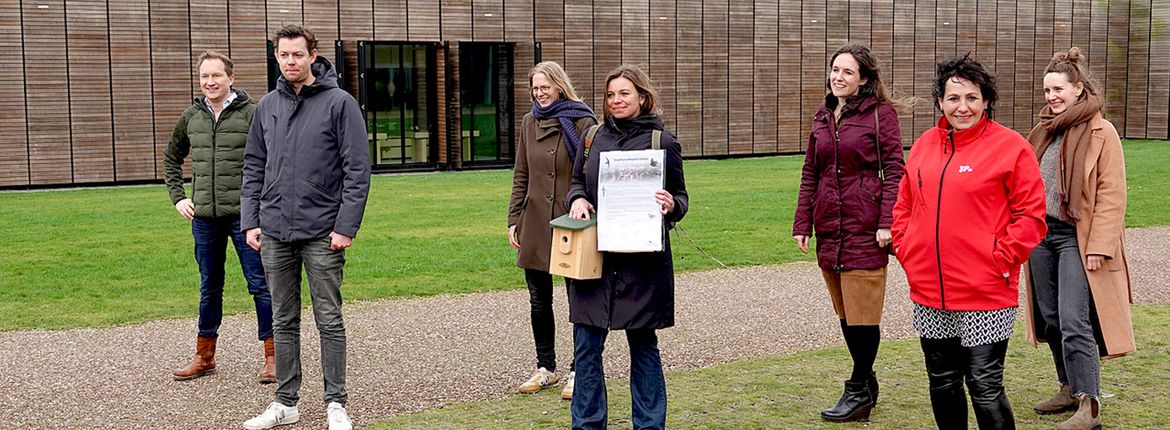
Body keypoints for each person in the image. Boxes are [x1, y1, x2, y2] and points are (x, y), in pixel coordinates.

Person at [891, 54, 1047, 430]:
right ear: (939, 102)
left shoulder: (1011, 147)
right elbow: (904, 204)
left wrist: (1002, 258)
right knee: (942, 382)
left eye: (972, 98)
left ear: (986, 100)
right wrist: (907, 248)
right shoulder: (926, 145)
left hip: (986, 290)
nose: (963, 107)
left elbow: (1031, 216)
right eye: (954, 98)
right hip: (929, 290)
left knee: (984, 384)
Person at [240, 24, 370, 430]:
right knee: (283, 318)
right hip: (274, 229)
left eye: (298, 54)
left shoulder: (340, 103)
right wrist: (251, 220)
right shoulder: (267, 106)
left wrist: (345, 226)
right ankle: (286, 401)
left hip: (323, 232)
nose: (290, 61)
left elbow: (357, 170)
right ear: (276, 56)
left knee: (328, 318)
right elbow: (253, 167)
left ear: (313, 55)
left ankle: (336, 403)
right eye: (284, 54)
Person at [566, 64, 688, 430]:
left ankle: (649, 425)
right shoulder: (592, 138)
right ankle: (587, 424)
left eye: (624, 94)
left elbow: (681, 198)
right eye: (611, 95)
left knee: (643, 347)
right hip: (595, 261)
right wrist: (576, 200)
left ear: (642, 97)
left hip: (641, 265)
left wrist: (671, 205)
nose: (616, 100)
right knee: (586, 348)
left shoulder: (661, 142)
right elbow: (576, 182)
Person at [792, 42, 906, 423]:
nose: (838, 77)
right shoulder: (822, 116)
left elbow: (895, 170)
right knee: (845, 313)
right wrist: (802, 222)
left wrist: (887, 221)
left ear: (864, 80)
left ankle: (858, 388)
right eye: (835, 70)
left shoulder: (881, 115)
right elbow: (811, 172)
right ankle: (867, 381)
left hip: (865, 225)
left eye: (847, 72)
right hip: (829, 226)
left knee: (863, 313)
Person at [1023, 47, 1133, 430]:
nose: (1051, 97)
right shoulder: (1043, 131)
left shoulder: (1103, 132)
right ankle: (1067, 387)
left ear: (1079, 89)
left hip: (1077, 237)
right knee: (1050, 317)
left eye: (1058, 90)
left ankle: (1090, 406)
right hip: (1040, 234)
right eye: (1047, 91)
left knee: (1074, 320)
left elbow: (1112, 192)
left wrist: (1101, 247)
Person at [163, 50, 274, 384]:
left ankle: (274, 357)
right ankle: (205, 356)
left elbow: (274, 160)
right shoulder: (191, 117)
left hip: (245, 219)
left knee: (261, 286)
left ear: (231, 78)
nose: (210, 82)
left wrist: (262, 207)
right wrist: (178, 198)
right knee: (209, 287)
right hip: (204, 220)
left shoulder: (253, 114)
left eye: (216, 76)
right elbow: (171, 158)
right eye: (204, 77)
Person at [507, 61, 597, 399]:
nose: (540, 93)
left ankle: (580, 369)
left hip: (570, 221)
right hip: (535, 221)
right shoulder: (529, 122)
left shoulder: (583, 121)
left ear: (559, 85)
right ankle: (546, 367)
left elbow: (592, 173)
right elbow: (521, 173)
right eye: (535, 88)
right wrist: (514, 217)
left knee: (578, 299)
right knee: (538, 299)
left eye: (545, 86)